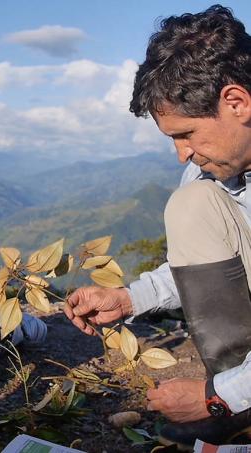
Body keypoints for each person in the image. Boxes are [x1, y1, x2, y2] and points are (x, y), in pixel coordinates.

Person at [64, 5, 251, 449]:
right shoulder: (210, 172)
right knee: (192, 203)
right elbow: (215, 269)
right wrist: (129, 298)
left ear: (237, 102)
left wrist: (216, 398)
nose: (182, 153)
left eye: (186, 134)